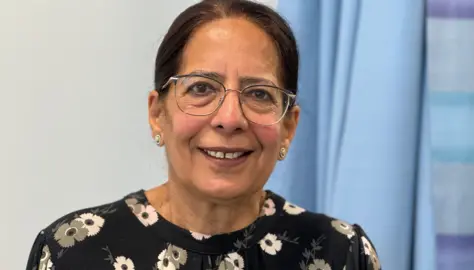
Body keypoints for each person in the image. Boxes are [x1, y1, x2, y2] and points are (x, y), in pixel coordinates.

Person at [26, 0, 381, 269]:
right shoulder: (73, 250)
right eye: (200, 88)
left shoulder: (339, 253)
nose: (229, 118)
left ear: (289, 125)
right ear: (157, 113)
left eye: (259, 93)